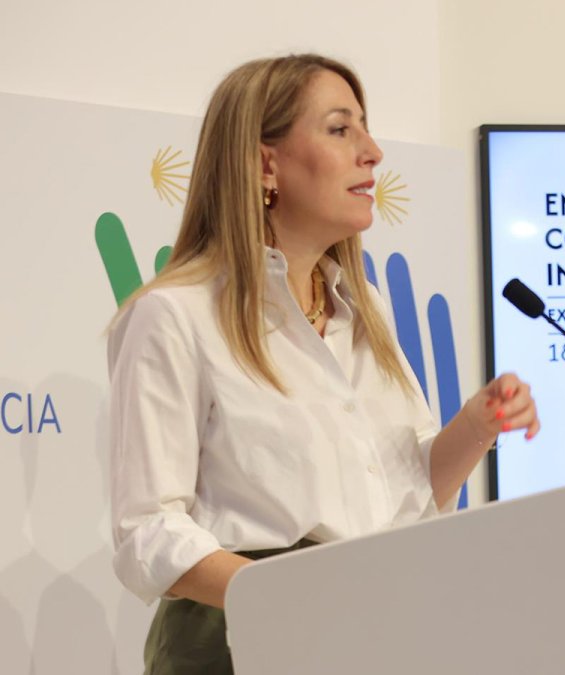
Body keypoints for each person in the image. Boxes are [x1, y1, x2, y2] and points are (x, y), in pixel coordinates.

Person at [107, 54, 539, 673]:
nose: (373, 152)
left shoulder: (365, 314)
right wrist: (297, 594)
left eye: (364, 127)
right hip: (237, 641)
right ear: (264, 163)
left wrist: (475, 429)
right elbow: (147, 529)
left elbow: (405, 499)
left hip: (362, 629)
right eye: (341, 129)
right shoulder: (175, 315)